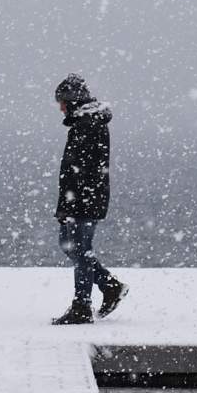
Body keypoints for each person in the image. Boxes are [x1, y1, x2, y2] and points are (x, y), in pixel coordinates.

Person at [51, 74, 128, 325]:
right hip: (81, 199)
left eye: (62, 101)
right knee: (70, 245)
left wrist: (71, 204)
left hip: (84, 200)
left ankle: (82, 306)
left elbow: (82, 170)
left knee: (80, 249)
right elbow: (77, 169)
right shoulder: (84, 122)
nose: (61, 107)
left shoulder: (88, 124)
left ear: (73, 101)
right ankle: (109, 285)